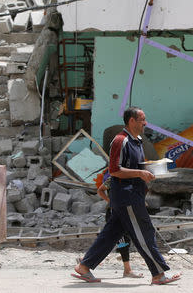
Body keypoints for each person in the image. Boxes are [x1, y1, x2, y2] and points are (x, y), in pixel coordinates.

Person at [72, 106, 181, 285]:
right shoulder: (120, 140)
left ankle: (84, 267)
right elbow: (114, 170)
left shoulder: (136, 141)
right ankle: (158, 274)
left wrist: (149, 170)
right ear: (131, 121)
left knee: (111, 234)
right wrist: (139, 174)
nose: (145, 123)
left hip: (132, 195)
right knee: (144, 233)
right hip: (126, 196)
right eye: (142, 120)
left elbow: (136, 167)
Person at [96, 172, 143, 278]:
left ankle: (84, 262)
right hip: (115, 214)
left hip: (126, 213)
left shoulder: (132, 178)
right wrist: (111, 201)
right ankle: (127, 270)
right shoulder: (112, 180)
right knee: (123, 242)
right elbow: (100, 190)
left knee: (109, 240)